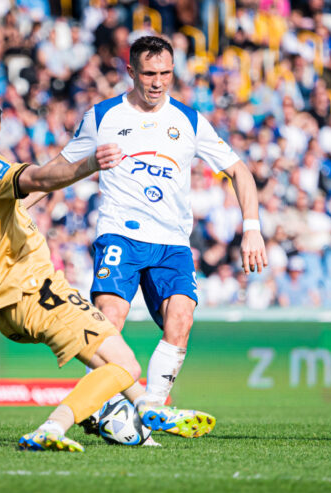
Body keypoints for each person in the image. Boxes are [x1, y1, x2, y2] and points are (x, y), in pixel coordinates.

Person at [0, 92, 214, 452]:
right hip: (36, 291)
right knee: (126, 365)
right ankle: (54, 426)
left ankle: (147, 406)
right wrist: (90, 164)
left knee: (105, 359)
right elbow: (39, 178)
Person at [59, 36, 267, 423]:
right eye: (149, 73)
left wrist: (252, 228)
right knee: (109, 317)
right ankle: (96, 408)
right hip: (120, 232)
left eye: (166, 73)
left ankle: (150, 411)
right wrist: (17, 203)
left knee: (181, 318)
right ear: (131, 72)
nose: (157, 82)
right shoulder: (103, 116)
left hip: (171, 241)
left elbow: (239, 171)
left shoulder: (188, 120)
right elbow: (58, 170)